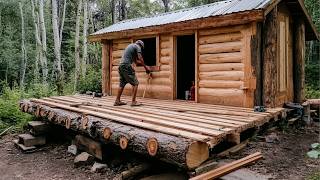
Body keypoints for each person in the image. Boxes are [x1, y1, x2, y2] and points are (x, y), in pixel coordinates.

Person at [114, 40, 151, 106]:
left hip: (121, 66)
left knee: (122, 84)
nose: (140, 50)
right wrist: (146, 68)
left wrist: (145, 65)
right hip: (126, 65)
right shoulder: (137, 46)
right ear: (140, 45)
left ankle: (117, 101)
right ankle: (133, 102)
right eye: (141, 48)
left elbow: (136, 61)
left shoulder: (130, 46)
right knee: (135, 83)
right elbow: (140, 57)